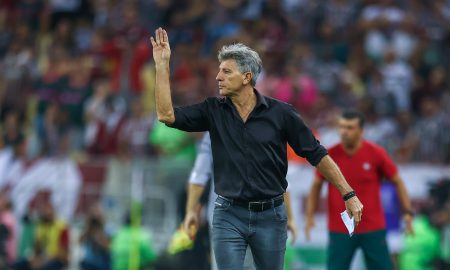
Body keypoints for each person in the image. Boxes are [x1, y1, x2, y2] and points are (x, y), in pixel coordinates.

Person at [150, 27, 363, 270]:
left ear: (247, 77)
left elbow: (317, 154)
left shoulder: (281, 114)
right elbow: (166, 115)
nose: (218, 77)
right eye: (219, 70)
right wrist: (162, 65)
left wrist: (348, 194)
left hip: (271, 217)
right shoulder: (213, 111)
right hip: (228, 214)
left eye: (226, 71)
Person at [304, 110, 414, 270]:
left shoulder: (376, 153)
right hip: (340, 228)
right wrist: (309, 215)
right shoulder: (329, 155)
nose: (344, 132)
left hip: (373, 227)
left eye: (350, 127)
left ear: (361, 131)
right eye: (341, 127)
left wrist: (408, 212)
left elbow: (398, 181)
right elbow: (316, 184)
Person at [185, 132, 298, 270]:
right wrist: (290, 217)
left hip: (223, 217)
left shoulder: (214, 131)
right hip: (261, 216)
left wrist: (191, 211)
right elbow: (281, 179)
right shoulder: (266, 126)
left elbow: (199, 176)